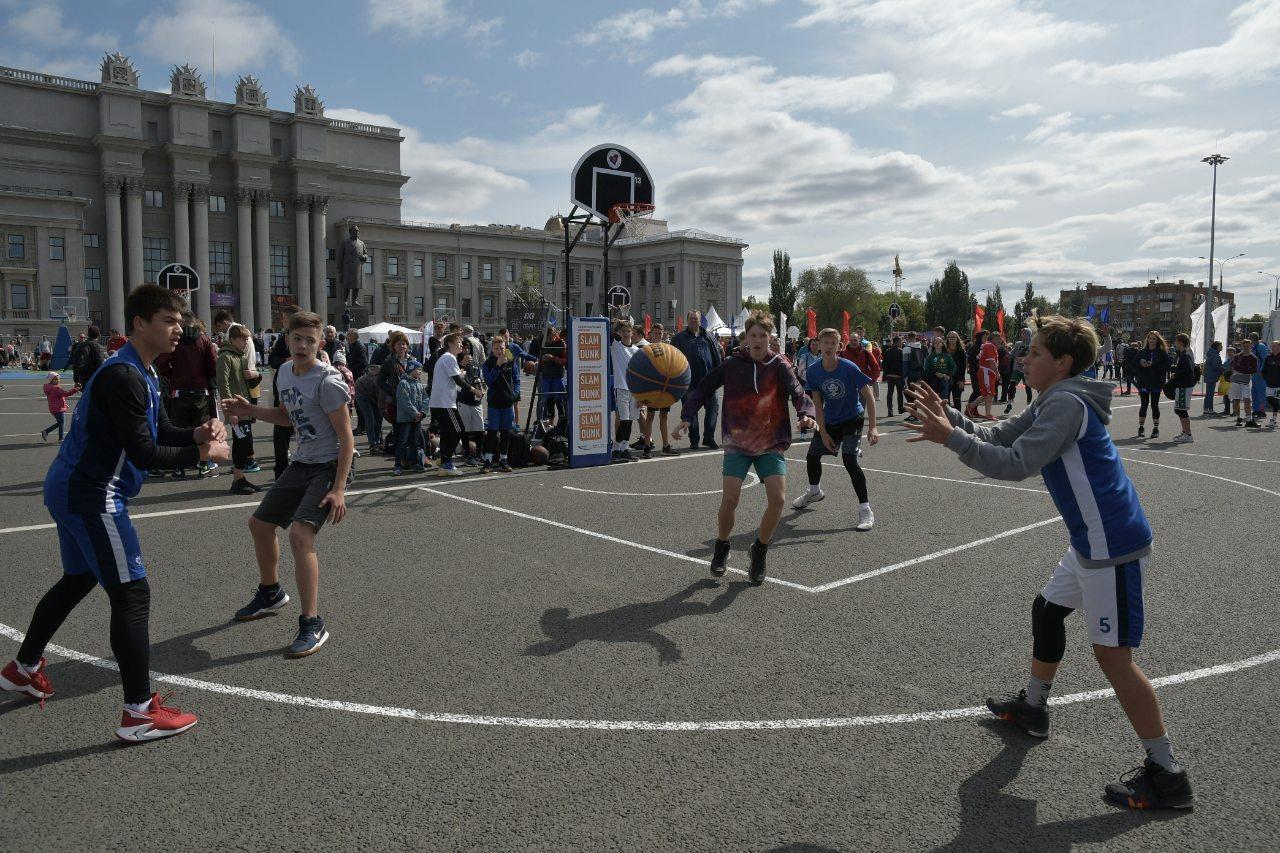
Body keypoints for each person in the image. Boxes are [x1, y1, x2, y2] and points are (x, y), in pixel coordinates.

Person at [902, 314, 1193, 810]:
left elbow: (1016, 464)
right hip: (1091, 541)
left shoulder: (1065, 405)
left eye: (1035, 352)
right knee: (1048, 609)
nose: (1025, 358)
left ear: (1061, 363)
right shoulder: (1053, 399)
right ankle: (1034, 708)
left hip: (1110, 546)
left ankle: (1168, 773)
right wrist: (953, 419)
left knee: (1114, 659)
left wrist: (948, 437)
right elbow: (1000, 436)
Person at [2, 284, 228, 741]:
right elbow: (144, 453)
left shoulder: (141, 372)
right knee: (132, 594)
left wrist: (197, 431)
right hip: (92, 493)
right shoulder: (123, 375)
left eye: (180, 320)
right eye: (168, 319)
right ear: (139, 324)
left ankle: (21, 669)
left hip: (71, 488)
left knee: (80, 578)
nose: (178, 327)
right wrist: (206, 454)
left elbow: (160, 428)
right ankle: (139, 712)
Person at [223, 311, 354, 658]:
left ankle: (312, 622)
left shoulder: (327, 381)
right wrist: (249, 409)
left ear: (320, 344)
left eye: (311, 341)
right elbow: (285, 417)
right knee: (259, 524)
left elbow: (347, 439)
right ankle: (270, 593)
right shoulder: (283, 372)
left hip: (327, 467)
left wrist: (339, 489)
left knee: (299, 534)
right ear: (287, 339)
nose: (303, 345)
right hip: (302, 462)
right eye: (297, 338)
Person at [673, 312, 815, 584]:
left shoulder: (779, 366)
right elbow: (703, 389)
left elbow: (799, 393)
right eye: (754, 335)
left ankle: (759, 549)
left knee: (779, 500)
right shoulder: (731, 364)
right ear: (746, 338)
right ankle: (722, 545)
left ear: (771, 338)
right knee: (730, 500)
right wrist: (686, 417)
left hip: (770, 442)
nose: (759, 340)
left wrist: (805, 413)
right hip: (738, 443)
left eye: (764, 335)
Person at [791, 328, 879, 530]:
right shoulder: (813, 372)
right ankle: (814, 492)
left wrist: (872, 427)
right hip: (831, 420)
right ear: (818, 344)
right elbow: (817, 405)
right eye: (825, 343)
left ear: (839, 347)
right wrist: (822, 432)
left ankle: (865, 509)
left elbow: (869, 396)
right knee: (812, 456)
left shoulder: (849, 367)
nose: (829, 346)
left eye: (833, 343)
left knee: (849, 459)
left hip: (852, 418)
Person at [155, 315, 219, 478]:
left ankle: (179, 466)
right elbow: (213, 363)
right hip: (201, 391)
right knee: (202, 428)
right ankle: (203, 465)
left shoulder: (175, 340)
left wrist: (172, 375)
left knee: (179, 429)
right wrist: (207, 378)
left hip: (178, 391)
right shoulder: (204, 340)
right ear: (196, 322)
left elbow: (162, 362)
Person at [215, 324, 262, 494]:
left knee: (246, 442)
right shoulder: (225, 357)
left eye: (247, 340)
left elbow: (247, 383)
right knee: (241, 443)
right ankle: (237, 480)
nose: (246, 343)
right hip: (236, 410)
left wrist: (257, 375)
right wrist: (231, 411)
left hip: (244, 407)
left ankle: (240, 478)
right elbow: (223, 384)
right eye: (242, 339)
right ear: (233, 339)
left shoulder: (240, 356)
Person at [671, 310, 724, 450]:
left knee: (713, 410)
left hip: (709, 383)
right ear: (688, 320)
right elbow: (671, 359)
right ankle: (694, 440)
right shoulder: (679, 338)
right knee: (691, 413)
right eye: (692, 318)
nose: (694, 320)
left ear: (701, 320)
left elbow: (717, 357)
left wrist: (719, 377)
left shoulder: (708, 336)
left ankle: (709, 438)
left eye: (696, 318)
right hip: (689, 384)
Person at [429, 333, 476, 476]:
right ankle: (446, 460)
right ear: (450, 344)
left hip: (439, 402)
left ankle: (444, 461)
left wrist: (460, 373)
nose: (461, 345)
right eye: (459, 342)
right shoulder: (449, 357)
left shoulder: (447, 358)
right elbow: (458, 381)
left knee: (446, 433)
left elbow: (453, 379)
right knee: (458, 430)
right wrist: (474, 390)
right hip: (445, 403)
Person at [481, 334, 519, 474]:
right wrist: (497, 367)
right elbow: (489, 381)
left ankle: (504, 459)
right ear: (492, 349)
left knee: (505, 433)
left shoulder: (510, 361)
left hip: (507, 403)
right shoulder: (488, 363)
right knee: (492, 432)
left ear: (505, 347)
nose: (499, 351)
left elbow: (516, 379)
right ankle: (488, 460)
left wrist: (515, 393)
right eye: (496, 348)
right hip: (494, 404)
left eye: (501, 348)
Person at [610, 322, 641, 463]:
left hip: (634, 390)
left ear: (632, 333)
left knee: (630, 421)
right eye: (623, 331)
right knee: (624, 420)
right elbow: (609, 334)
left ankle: (625, 448)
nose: (626, 334)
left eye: (628, 331)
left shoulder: (636, 350)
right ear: (619, 332)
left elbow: (640, 373)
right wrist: (617, 324)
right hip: (621, 388)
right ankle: (616, 449)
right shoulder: (616, 346)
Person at [393, 360, 429, 475]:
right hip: (405, 419)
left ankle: (415, 463)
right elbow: (405, 401)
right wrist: (415, 413)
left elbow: (425, 399)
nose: (420, 372)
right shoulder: (403, 383)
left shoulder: (419, 384)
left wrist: (423, 412)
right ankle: (398, 465)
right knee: (402, 441)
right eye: (418, 369)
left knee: (414, 441)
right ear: (411, 369)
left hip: (416, 419)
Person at [1134, 331, 1171, 439]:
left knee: (1155, 405)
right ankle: (1141, 428)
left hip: (1157, 382)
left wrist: (1154, 364)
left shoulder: (1162, 352)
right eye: (1150, 338)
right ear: (1147, 339)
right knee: (1144, 405)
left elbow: (1167, 367)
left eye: (1154, 339)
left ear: (1157, 340)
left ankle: (1155, 429)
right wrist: (1141, 364)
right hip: (1144, 382)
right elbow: (1133, 366)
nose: (1152, 340)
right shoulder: (1141, 352)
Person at [1169, 333, 1196, 443]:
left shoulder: (1186, 355)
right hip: (1182, 386)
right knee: (1179, 409)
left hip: (1184, 386)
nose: (1175, 344)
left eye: (1176, 342)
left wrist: (1176, 374)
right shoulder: (1184, 354)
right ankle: (1185, 431)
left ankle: (1188, 434)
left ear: (1180, 342)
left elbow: (1187, 370)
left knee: (1181, 410)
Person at [40, 372, 80, 442]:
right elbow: (66, 394)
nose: (58, 380)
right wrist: (75, 389)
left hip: (53, 408)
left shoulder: (49, 387)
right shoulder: (56, 388)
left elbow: (58, 397)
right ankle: (61, 438)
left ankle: (46, 432)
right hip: (58, 409)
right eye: (56, 379)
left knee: (60, 423)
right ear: (51, 380)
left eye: (58, 379)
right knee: (61, 423)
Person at [1228, 339, 1259, 428]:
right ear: (1241, 346)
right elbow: (1234, 367)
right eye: (1244, 346)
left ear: (1250, 346)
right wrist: (1246, 369)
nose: (1245, 348)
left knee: (1247, 400)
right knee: (1236, 400)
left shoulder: (1253, 358)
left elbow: (1254, 370)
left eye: (1247, 346)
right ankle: (1238, 418)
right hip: (1235, 382)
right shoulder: (1237, 356)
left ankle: (1249, 420)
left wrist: (1241, 369)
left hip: (1246, 382)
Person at [1005, 328, 1032, 414]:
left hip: (1027, 369)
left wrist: (1024, 359)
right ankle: (1009, 404)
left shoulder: (1032, 345)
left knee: (1028, 388)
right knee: (1011, 386)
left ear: (1028, 334)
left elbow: (1035, 358)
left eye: (1024, 333)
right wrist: (1006, 351)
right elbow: (1011, 355)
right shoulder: (1017, 344)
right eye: (1021, 333)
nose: (1022, 335)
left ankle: (1029, 407)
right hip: (1017, 369)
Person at [922, 336, 955, 402]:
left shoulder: (947, 355)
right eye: (935, 343)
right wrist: (936, 373)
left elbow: (953, 367)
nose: (937, 344)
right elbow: (927, 369)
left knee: (943, 400)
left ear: (942, 344)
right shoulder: (930, 356)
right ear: (933, 345)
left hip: (944, 379)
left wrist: (949, 375)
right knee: (933, 400)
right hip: (933, 379)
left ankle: (943, 411)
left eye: (939, 342)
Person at [880, 336, 905, 417]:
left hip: (889, 375)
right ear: (897, 342)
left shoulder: (887, 351)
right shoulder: (901, 351)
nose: (902, 342)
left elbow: (884, 363)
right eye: (901, 341)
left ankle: (890, 411)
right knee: (900, 393)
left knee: (890, 393)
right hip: (898, 375)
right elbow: (903, 364)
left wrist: (886, 373)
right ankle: (900, 409)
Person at [1249, 332, 1269, 424]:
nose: (1250, 338)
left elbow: (1265, 359)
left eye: (1251, 337)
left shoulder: (1260, 346)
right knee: (1254, 392)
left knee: (1261, 391)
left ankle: (1262, 410)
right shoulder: (1253, 346)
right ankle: (1256, 409)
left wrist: (1261, 370)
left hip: (1260, 373)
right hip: (1254, 373)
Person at [1201, 341, 1223, 416]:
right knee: (1210, 394)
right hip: (1212, 375)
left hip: (1208, 375)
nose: (1222, 347)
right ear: (1217, 347)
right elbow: (1215, 366)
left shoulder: (1210, 353)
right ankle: (1210, 410)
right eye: (1220, 346)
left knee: (1208, 394)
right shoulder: (1215, 355)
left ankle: (1206, 410)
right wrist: (1222, 368)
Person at [1263, 341, 1280, 429]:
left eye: (1274, 346)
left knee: (1276, 401)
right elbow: (1264, 370)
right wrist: (1266, 377)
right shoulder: (1268, 358)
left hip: (1279, 385)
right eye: (1272, 346)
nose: (1272, 348)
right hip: (1269, 383)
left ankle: (1273, 420)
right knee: (1269, 399)